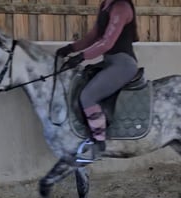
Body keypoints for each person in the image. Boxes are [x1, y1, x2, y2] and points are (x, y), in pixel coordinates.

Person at [56, 0, 139, 161]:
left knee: (88, 96)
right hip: (109, 62)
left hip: (123, 65)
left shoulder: (121, 7)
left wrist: (81, 57)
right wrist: (70, 48)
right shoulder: (106, 5)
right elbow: (93, 37)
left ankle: (98, 144)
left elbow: (107, 42)